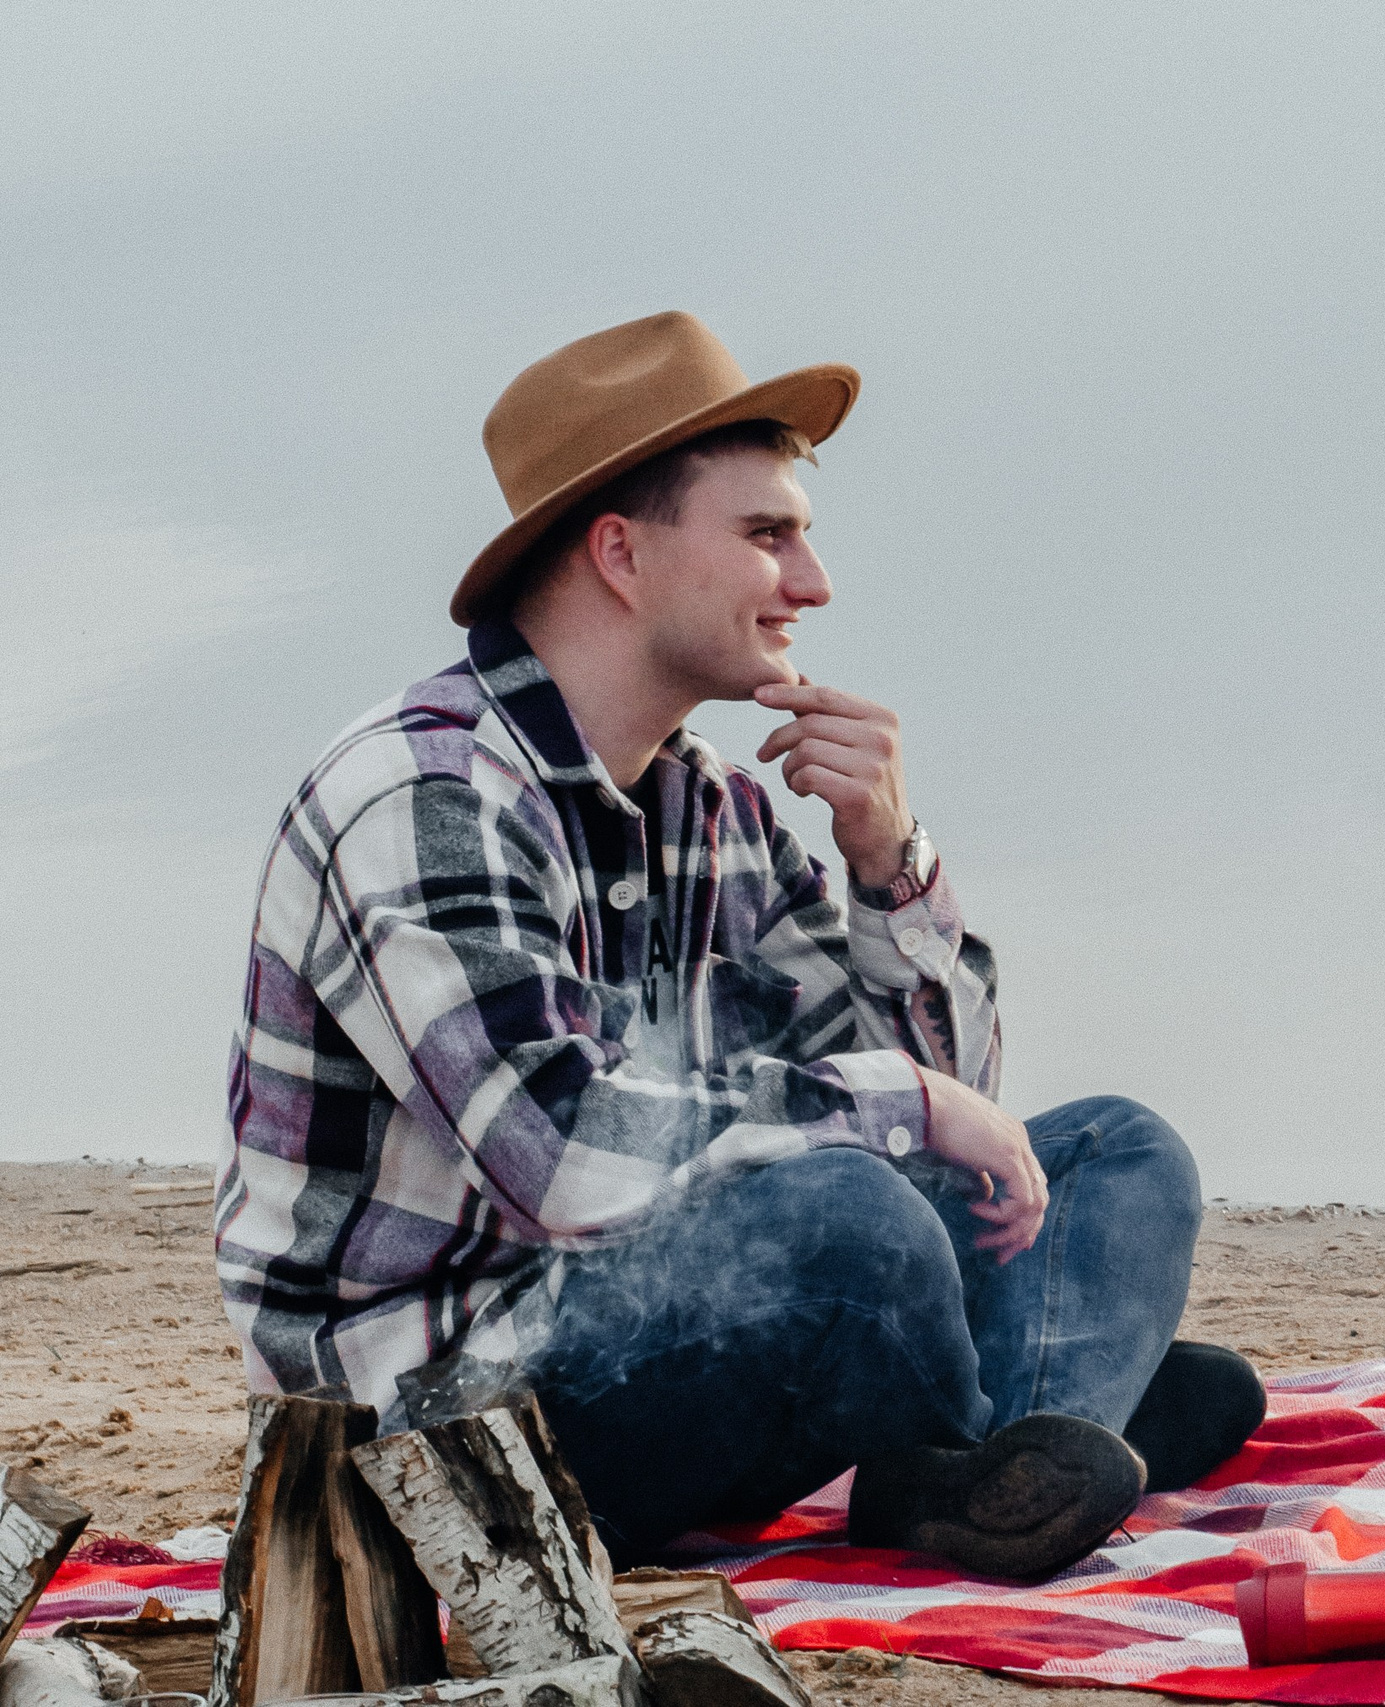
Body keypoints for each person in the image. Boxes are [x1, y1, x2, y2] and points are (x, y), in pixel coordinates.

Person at [217, 311, 1265, 1576]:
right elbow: (557, 1153)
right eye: (768, 536)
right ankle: (1041, 1406)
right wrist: (903, 1107)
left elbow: (945, 1106)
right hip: (448, 1424)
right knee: (845, 1216)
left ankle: (995, 1454)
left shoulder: (710, 804)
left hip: (657, 1307)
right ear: (621, 554)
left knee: (1113, 1149)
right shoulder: (424, 798)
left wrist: (888, 859)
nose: (812, 585)